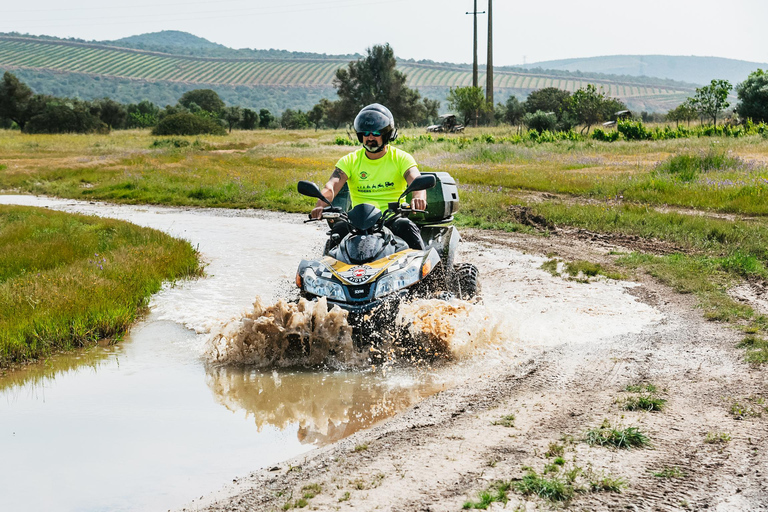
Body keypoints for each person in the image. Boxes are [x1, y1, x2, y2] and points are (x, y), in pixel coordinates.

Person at [310, 103, 427, 250]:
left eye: (376, 133)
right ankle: (330, 271)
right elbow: (331, 186)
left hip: (391, 219)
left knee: (407, 226)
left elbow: (416, 181)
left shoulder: (402, 158)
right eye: (366, 133)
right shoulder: (349, 161)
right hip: (358, 222)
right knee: (338, 231)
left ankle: (428, 271)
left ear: (387, 134)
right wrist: (320, 205)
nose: (370, 137)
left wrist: (418, 198)